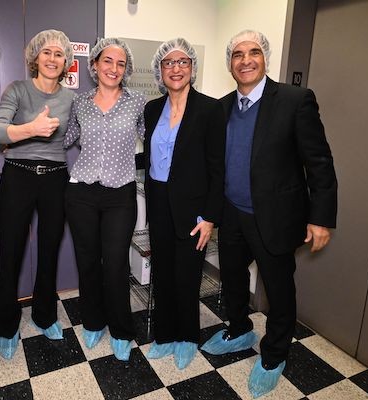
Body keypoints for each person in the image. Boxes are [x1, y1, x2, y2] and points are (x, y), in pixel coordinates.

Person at [199, 30, 337, 398]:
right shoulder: (223, 107)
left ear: (265, 58)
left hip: (274, 217)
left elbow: (319, 163)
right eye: (238, 54)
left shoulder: (295, 101)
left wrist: (321, 217)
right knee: (231, 280)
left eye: (253, 52)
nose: (246, 60)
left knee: (278, 289)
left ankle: (275, 353)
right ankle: (240, 329)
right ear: (230, 63)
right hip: (232, 215)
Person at [0, 30, 75, 360]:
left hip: (55, 179)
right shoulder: (18, 90)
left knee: (49, 249)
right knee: (11, 251)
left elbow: (85, 132)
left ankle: (44, 315)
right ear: (35, 58)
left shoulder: (72, 99)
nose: (53, 59)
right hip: (18, 176)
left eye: (59, 54)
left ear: (66, 62)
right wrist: (30, 130)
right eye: (47, 53)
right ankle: (6, 325)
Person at [142, 38, 225, 369]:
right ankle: (165, 335)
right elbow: (152, 157)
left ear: (192, 68)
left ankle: (188, 337)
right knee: (162, 272)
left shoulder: (210, 109)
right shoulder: (152, 109)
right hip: (159, 203)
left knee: (188, 275)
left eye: (182, 62)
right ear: (159, 70)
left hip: (194, 209)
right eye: (168, 63)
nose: (175, 68)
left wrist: (210, 217)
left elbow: (218, 169)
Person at [63, 38, 146, 361]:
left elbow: (153, 138)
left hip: (120, 194)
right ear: (94, 65)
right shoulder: (79, 102)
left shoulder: (137, 102)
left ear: (126, 70)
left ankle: (122, 330)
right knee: (87, 261)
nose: (114, 68)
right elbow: (66, 138)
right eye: (107, 61)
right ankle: (94, 321)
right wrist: (26, 137)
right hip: (81, 191)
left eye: (121, 63)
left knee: (115, 264)